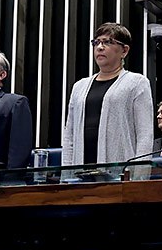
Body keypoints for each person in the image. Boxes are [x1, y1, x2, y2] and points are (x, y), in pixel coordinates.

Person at [62, 23, 153, 166]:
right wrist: (66, 175)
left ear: (124, 51)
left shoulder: (137, 83)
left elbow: (145, 135)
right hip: (79, 173)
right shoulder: (79, 86)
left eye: (108, 42)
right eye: (96, 42)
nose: (100, 47)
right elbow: (69, 136)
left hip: (120, 173)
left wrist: (139, 176)